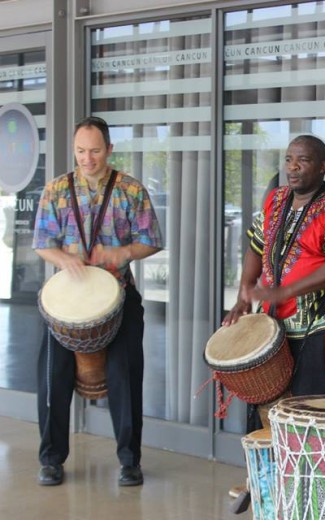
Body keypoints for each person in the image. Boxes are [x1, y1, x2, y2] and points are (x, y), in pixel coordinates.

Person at [33, 116, 163, 486]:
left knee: (125, 378)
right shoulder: (57, 189)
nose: (86, 158)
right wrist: (65, 259)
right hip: (65, 301)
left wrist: (121, 253)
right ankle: (51, 459)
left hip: (118, 295)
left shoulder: (131, 189)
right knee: (51, 380)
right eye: (80, 151)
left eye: (93, 150)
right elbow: (43, 243)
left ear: (109, 149)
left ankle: (129, 461)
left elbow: (152, 239)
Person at [222, 134, 325, 409]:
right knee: (266, 405)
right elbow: (256, 246)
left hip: (316, 323)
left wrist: (284, 291)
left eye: (303, 160)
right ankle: (272, 454)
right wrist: (244, 296)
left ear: (323, 166)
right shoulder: (276, 200)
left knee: (307, 407)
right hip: (272, 322)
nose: (293, 167)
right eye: (289, 159)